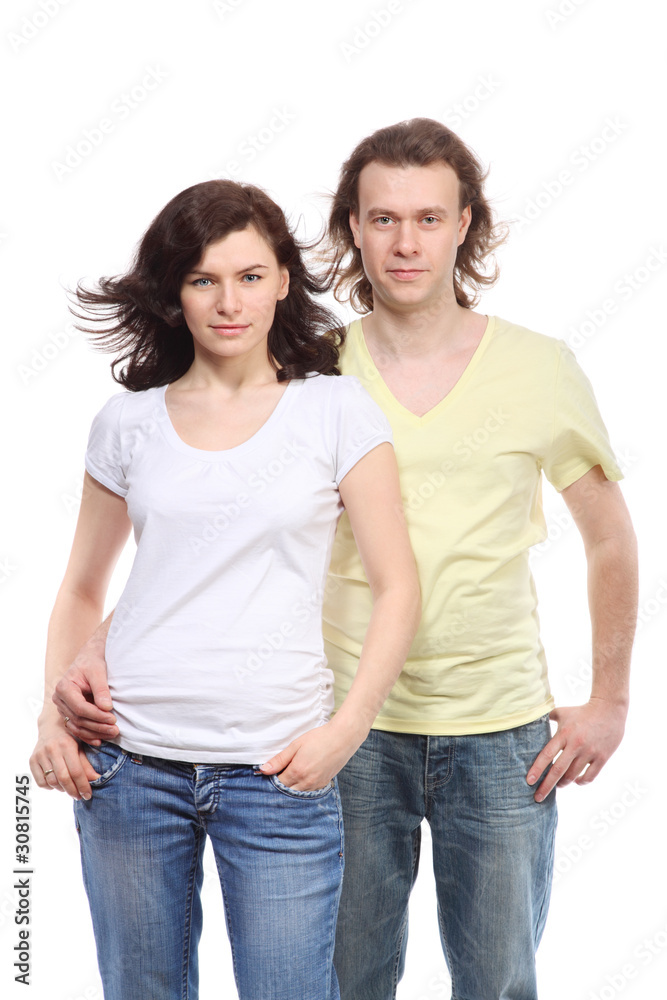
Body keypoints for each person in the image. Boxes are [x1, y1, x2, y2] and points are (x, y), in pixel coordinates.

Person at [50, 120, 638, 1000]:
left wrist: (611, 702)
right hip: (331, 728)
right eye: (383, 218)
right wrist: (91, 655)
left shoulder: (538, 367)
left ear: (465, 224)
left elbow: (610, 539)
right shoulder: (306, 371)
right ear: (350, 230)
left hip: (499, 720)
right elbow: (204, 538)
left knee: (500, 979)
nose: (406, 241)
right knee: (347, 980)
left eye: (429, 218)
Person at [29, 178, 420, 1000]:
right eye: (203, 279)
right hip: (127, 767)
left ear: (283, 279)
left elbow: (397, 587)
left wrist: (346, 731)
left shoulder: (336, 411)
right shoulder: (127, 422)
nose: (228, 301)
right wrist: (50, 719)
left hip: (277, 770)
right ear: (175, 292)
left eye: (249, 275)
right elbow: (79, 590)